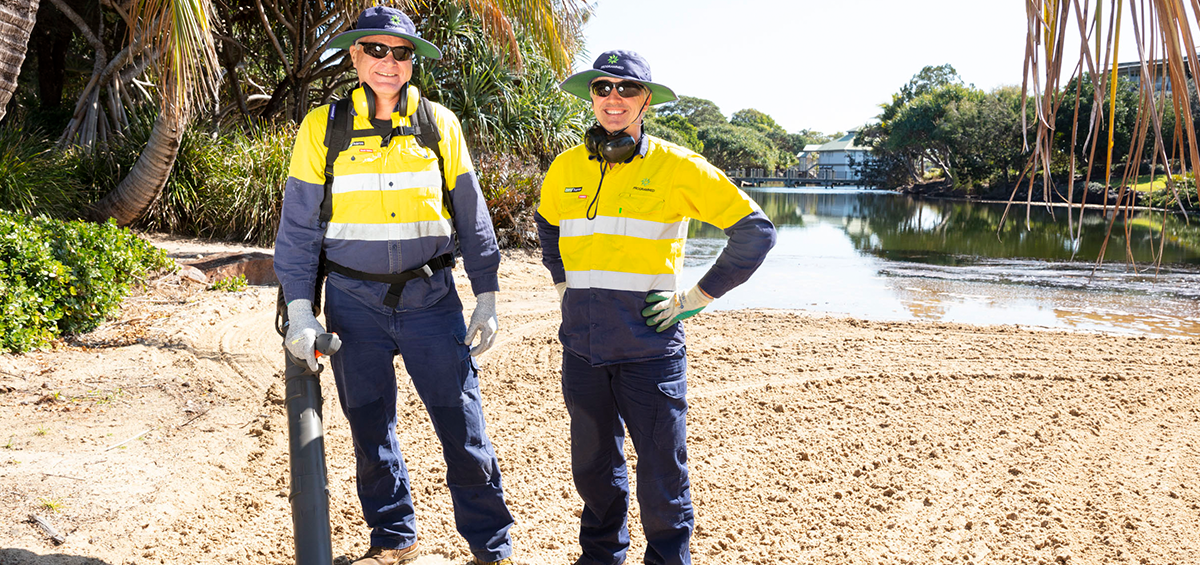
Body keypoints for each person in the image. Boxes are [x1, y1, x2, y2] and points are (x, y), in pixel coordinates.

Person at [273, 6, 514, 565]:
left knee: (463, 425)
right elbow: (299, 228)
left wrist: (488, 297)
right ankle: (392, 537)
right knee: (370, 428)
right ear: (355, 56)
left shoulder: (439, 123)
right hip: (354, 306)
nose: (388, 62)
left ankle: (491, 547)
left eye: (400, 52)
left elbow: (474, 217)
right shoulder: (322, 127)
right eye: (376, 50)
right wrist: (303, 310)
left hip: (432, 301)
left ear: (412, 61)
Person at [535, 50, 777, 565]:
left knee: (663, 472)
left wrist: (696, 299)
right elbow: (547, 226)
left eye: (626, 89)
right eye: (603, 88)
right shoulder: (565, 167)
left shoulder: (677, 166)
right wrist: (562, 286)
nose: (613, 99)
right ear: (592, 97)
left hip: (649, 351)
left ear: (646, 99)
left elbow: (755, 232)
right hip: (581, 348)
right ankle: (601, 557)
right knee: (594, 468)